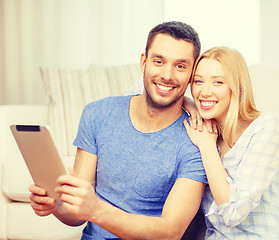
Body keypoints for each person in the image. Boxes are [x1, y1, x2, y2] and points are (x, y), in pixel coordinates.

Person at [29, 21, 208, 240]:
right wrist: (55, 205)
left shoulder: (197, 140)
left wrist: (97, 210)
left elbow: (171, 231)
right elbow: (76, 215)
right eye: (158, 61)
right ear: (144, 62)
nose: (167, 75)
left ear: (192, 73)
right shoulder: (98, 114)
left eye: (180, 66)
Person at [183, 46, 279, 239]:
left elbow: (233, 211)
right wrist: (185, 101)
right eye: (198, 81)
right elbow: (142, 91)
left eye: (218, 82)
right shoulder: (200, 130)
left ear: (236, 86)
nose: (204, 92)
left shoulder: (269, 126)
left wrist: (206, 146)